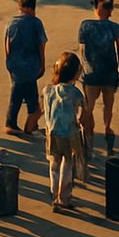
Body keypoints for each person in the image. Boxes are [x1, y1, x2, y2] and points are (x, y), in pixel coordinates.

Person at [78, 0, 119, 153]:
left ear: (96, 8)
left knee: (88, 107)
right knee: (108, 104)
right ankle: (107, 129)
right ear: (110, 10)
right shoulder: (115, 27)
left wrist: (80, 71)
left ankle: (87, 136)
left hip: (91, 74)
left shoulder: (85, 25)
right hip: (109, 73)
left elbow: (82, 51)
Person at [43, 51, 87, 211]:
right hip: (70, 133)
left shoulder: (47, 90)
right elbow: (82, 116)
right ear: (76, 74)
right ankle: (64, 197)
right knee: (67, 164)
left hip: (52, 133)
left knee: (54, 163)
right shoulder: (76, 93)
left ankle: (54, 194)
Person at [4, 0, 48, 138]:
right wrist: (42, 64)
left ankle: (15, 123)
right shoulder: (36, 23)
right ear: (32, 7)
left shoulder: (11, 22)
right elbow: (41, 45)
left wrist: (9, 62)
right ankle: (27, 126)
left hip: (15, 65)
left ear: (21, 7)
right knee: (31, 98)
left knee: (17, 94)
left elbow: (7, 44)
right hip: (30, 66)